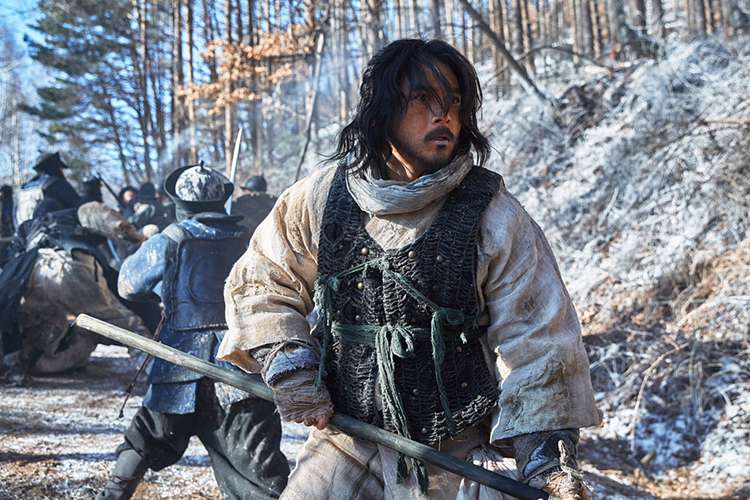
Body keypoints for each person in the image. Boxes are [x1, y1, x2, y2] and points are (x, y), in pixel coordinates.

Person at [217, 39, 601, 500]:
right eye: (423, 99)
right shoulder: (318, 199)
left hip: (454, 448)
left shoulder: (494, 215)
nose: (444, 116)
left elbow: (540, 338)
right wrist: (290, 363)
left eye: (453, 101)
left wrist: (545, 456)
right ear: (380, 112)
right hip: (346, 436)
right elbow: (262, 280)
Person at [96, 163, 289, 500]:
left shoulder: (168, 240)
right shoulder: (252, 240)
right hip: (240, 372)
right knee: (259, 480)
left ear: (178, 202)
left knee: (145, 439)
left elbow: (128, 286)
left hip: (178, 373)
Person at [0, 199, 150, 385]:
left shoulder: (27, 227)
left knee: (51, 321)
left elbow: (9, 260)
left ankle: (18, 365)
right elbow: (96, 212)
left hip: (31, 275)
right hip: (68, 266)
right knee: (123, 325)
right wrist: (133, 235)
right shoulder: (69, 215)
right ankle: (154, 371)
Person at [13, 151, 82, 228]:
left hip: (27, 232)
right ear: (57, 168)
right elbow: (79, 209)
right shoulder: (58, 184)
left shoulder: (24, 188)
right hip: (56, 232)